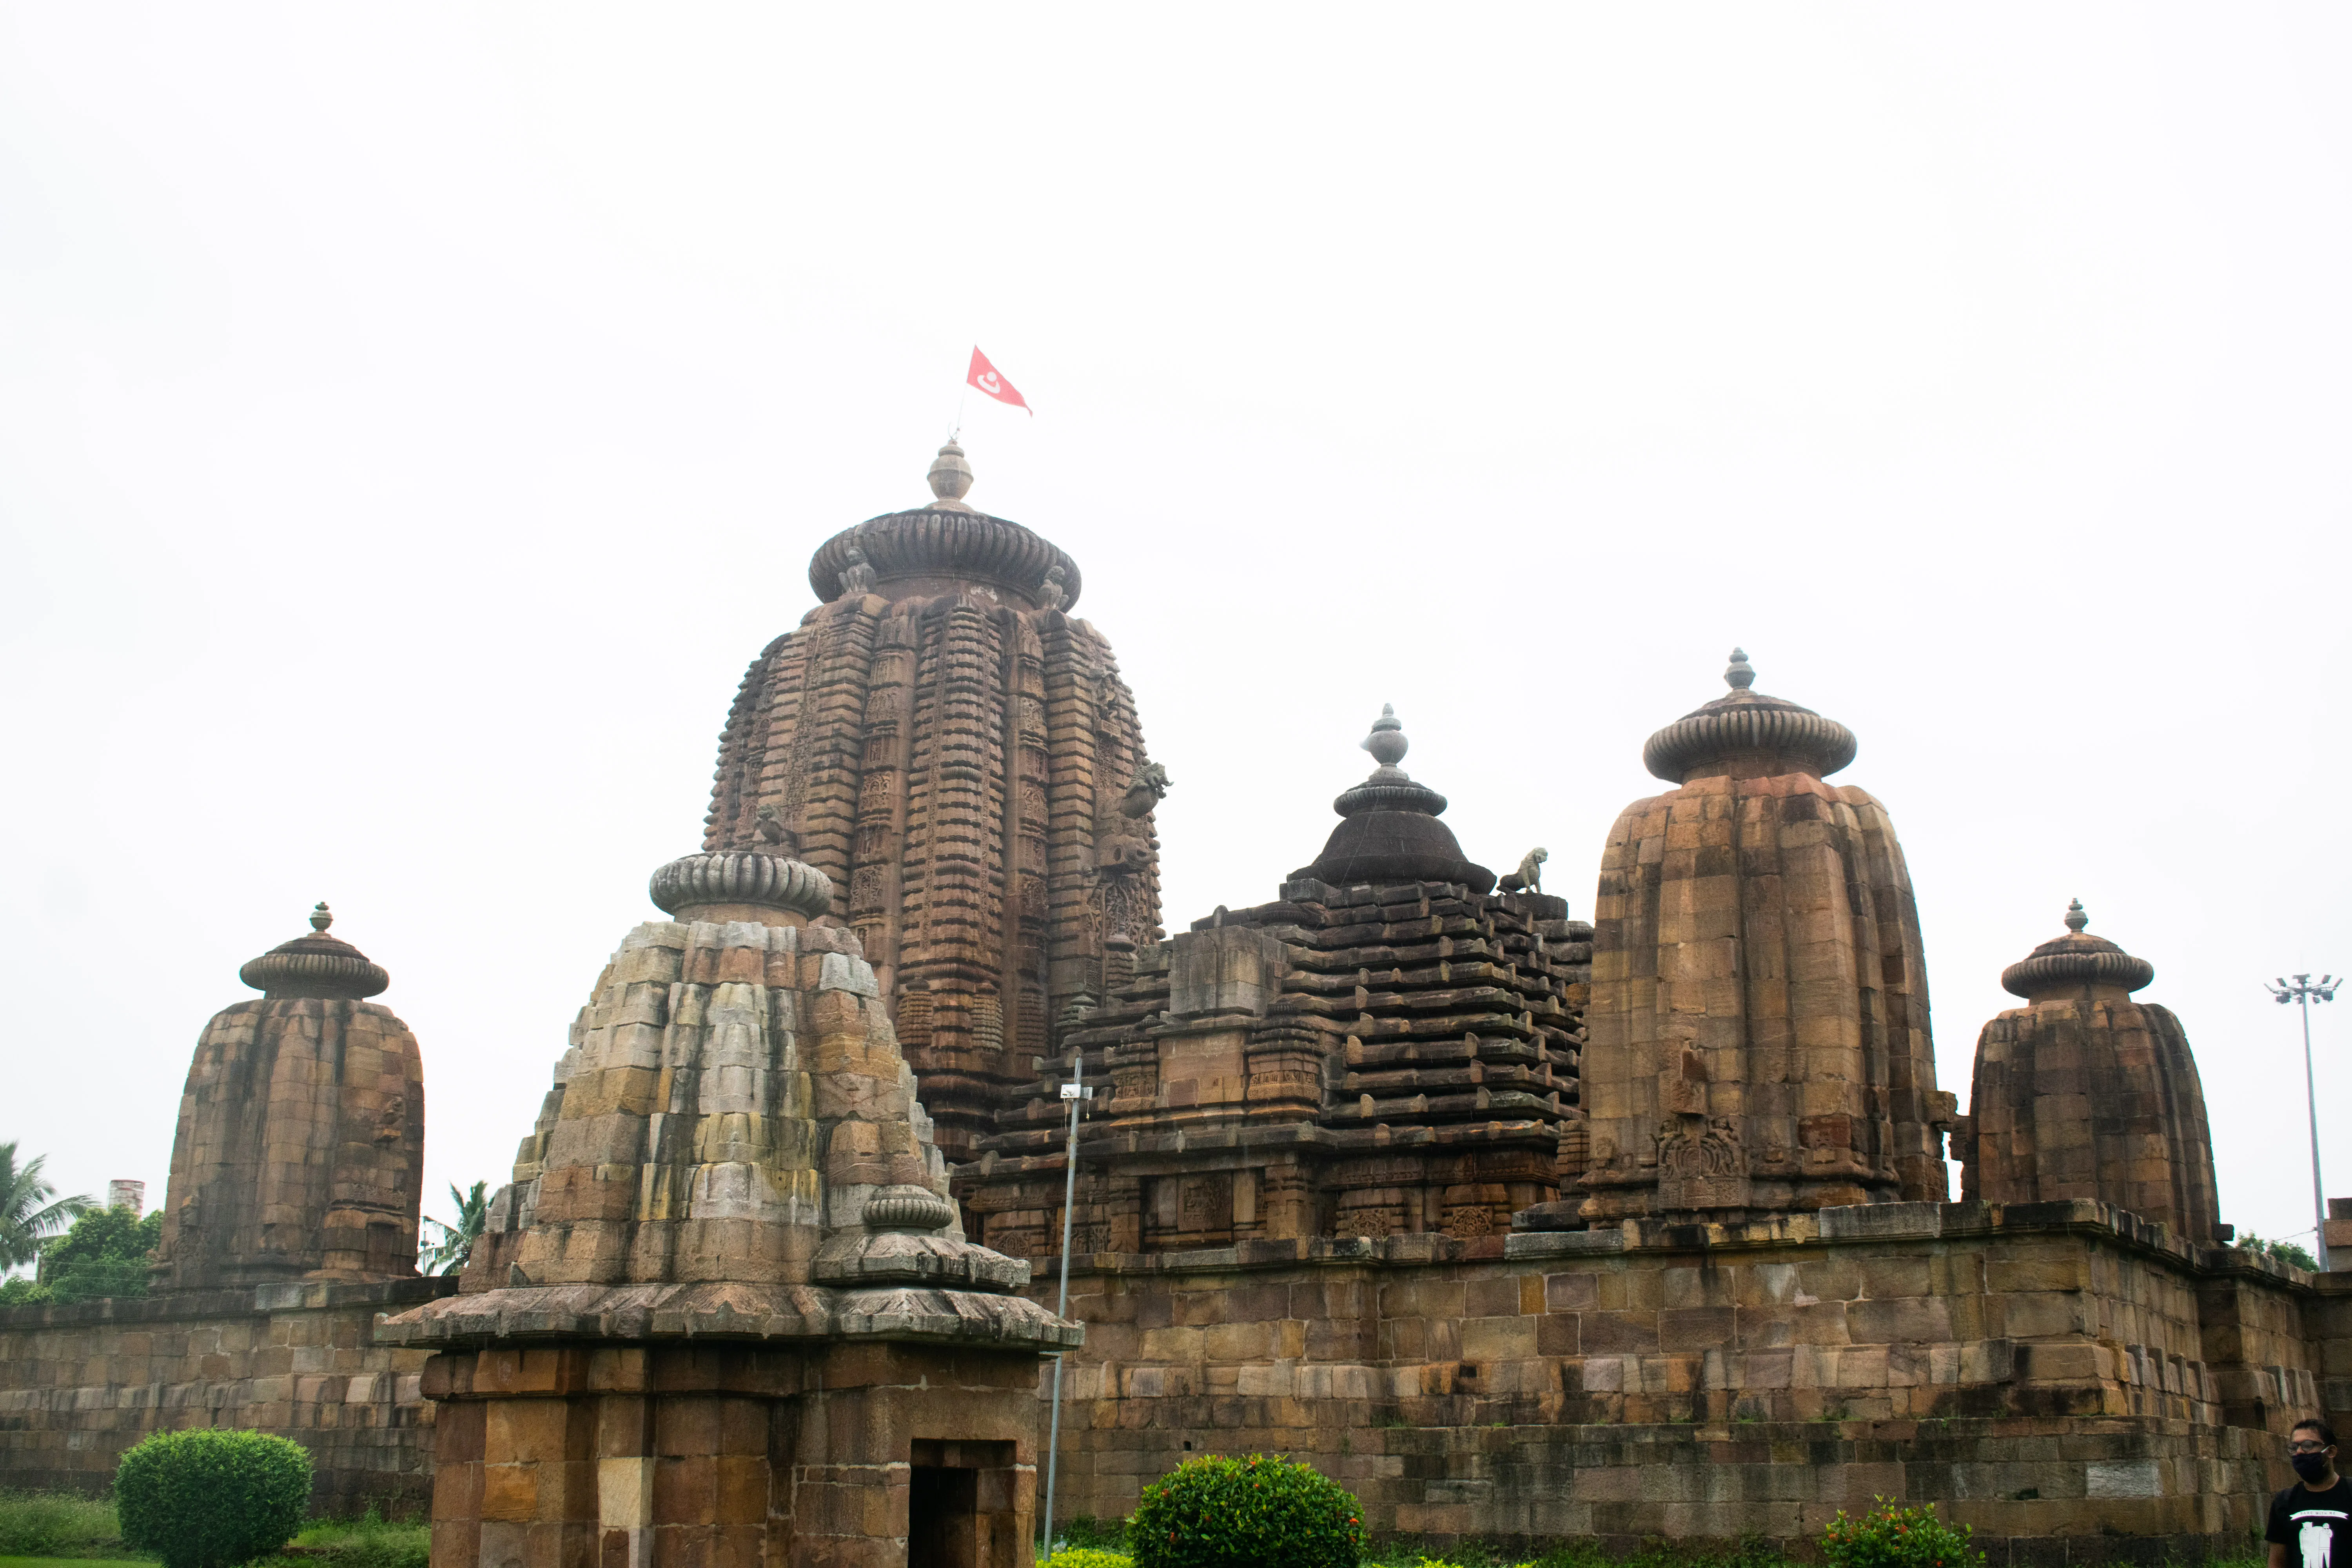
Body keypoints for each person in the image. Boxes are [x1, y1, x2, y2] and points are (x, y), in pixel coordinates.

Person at [2269, 1419, 2352, 1568]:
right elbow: (2277, 1560)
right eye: (2294, 1447)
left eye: (2307, 1446)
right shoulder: (2285, 1501)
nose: (2299, 1452)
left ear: (2331, 1452)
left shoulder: (2349, 1492)